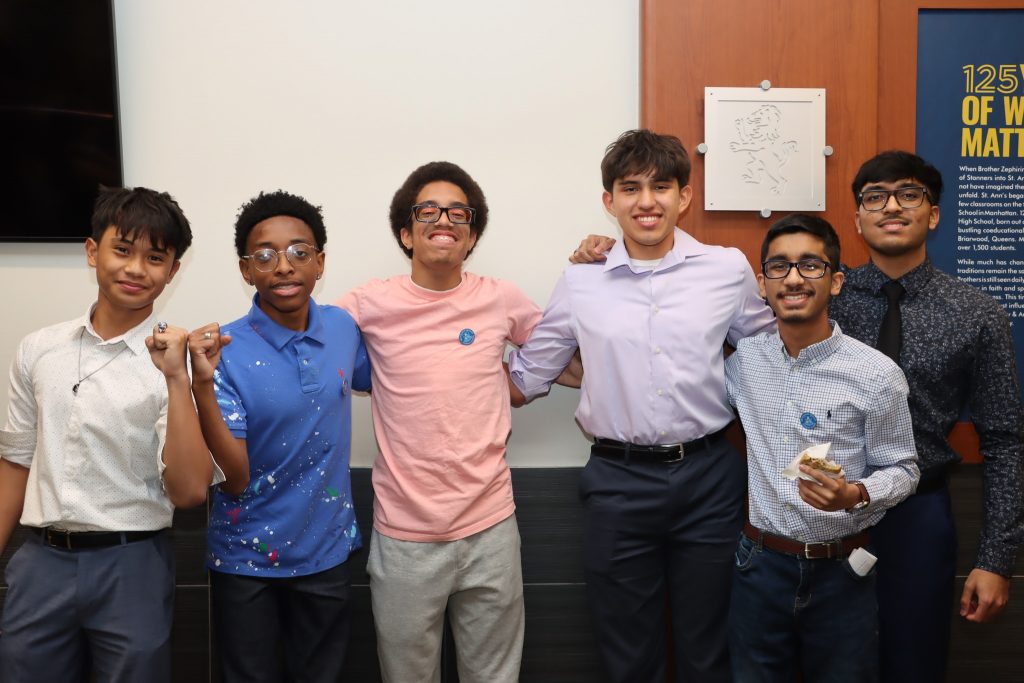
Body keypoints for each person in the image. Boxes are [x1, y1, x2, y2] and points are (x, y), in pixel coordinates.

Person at [508, 129, 776, 682]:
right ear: (609, 202)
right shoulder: (581, 281)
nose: (646, 201)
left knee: (710, 647)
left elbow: (771, 354)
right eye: (631, 188)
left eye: (661, 186)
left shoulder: (727, 270)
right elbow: (528, 376)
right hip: (617, 481)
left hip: (709, 476)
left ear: (685, 196)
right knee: (628, 654)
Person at [335, 161, 545, 683]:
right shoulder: (368, 302)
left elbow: (562, 355)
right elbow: (309, 345)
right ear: (406, 234)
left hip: (490, 526)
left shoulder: (501, 298)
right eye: (427, 211)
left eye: (458, 212)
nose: (444, 219)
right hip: (404, 534)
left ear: (471, 236)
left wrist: (517, 379)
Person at [0, 186, 215, 683]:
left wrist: (176, 377)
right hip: (40, 561)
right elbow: (15, 461)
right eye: (123, 250)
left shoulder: (181, 362)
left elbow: (188, 492)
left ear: (172, 271)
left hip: (133, 563)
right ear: (93, 251)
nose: (136, 269)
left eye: (155, 258)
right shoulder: (39, 349)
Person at [831, 150, 1024, 680]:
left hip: (919, 514)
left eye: (908, 194)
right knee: (830, 662)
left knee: (913, 663)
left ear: (933, 214)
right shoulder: (828, 301)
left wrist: (996, 558)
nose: (892, 207)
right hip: (830, 510)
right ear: (858, 218)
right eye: (876, 197)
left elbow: (1004, 440)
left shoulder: (977, 312)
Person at [725, 213, 919, 682]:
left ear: (835, 282)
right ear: (763, 284)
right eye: (779, 266)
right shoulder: (744, 362)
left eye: (810, 265)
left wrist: (856, 494)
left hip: (842, 572)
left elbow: (905, 468)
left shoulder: (876, 374)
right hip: (759, 567)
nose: (793, 278)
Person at [187, 190, 370, 682]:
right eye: (265, 255)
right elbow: (234, 479)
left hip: (327, 552)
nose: (284, 266)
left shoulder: (343, 328)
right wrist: (201, 383)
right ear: (246, 270)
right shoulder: (223, 351)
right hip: (244, 560)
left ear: (320, 262)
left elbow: (395, 378)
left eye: (299, 252)